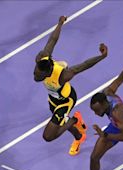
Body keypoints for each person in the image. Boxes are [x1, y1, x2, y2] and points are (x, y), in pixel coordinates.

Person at [34, 16, 108, 156]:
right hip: (53, 99)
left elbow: (84, 65)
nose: (36, 77)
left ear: (49, 72)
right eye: (35, 72)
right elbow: (52, 40)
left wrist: (102, 56)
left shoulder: (63, 75)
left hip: (66, 101)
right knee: (61, 121)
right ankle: (79, 137)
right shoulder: (42, 58)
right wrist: (60, 23)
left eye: (39, 75)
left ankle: (74, 120)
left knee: (48, 136)